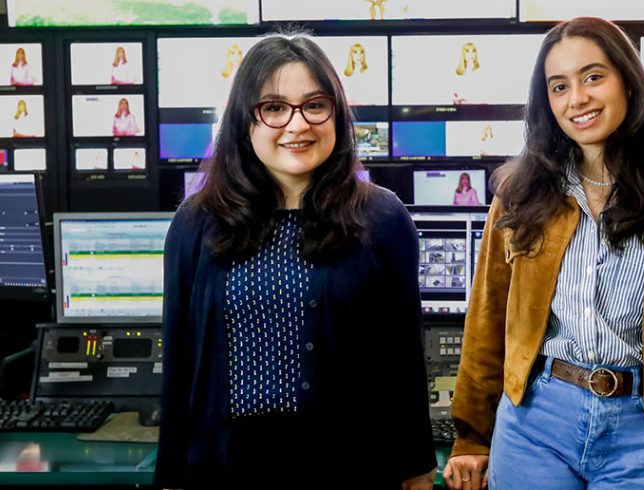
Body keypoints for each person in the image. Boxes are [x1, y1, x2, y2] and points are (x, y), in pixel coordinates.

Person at [443, 17, 644, 490]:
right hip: (534, 422)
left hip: (641, 427)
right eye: (558, 86)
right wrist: (472, 437)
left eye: (593, 77)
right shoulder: (519, 195)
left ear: (628, 81)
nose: (576, 98)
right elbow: (487, 321)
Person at [156, 33, 437, 490]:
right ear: (245, 120)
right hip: (226, 469)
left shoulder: (382, 217)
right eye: (274, 108)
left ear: (337, 114)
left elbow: (403, 360)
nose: (297, 124)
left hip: (351, 467)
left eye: (314, 104)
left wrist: (418, 469)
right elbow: (180, 361)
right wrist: (171, 475)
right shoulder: (196, 223)